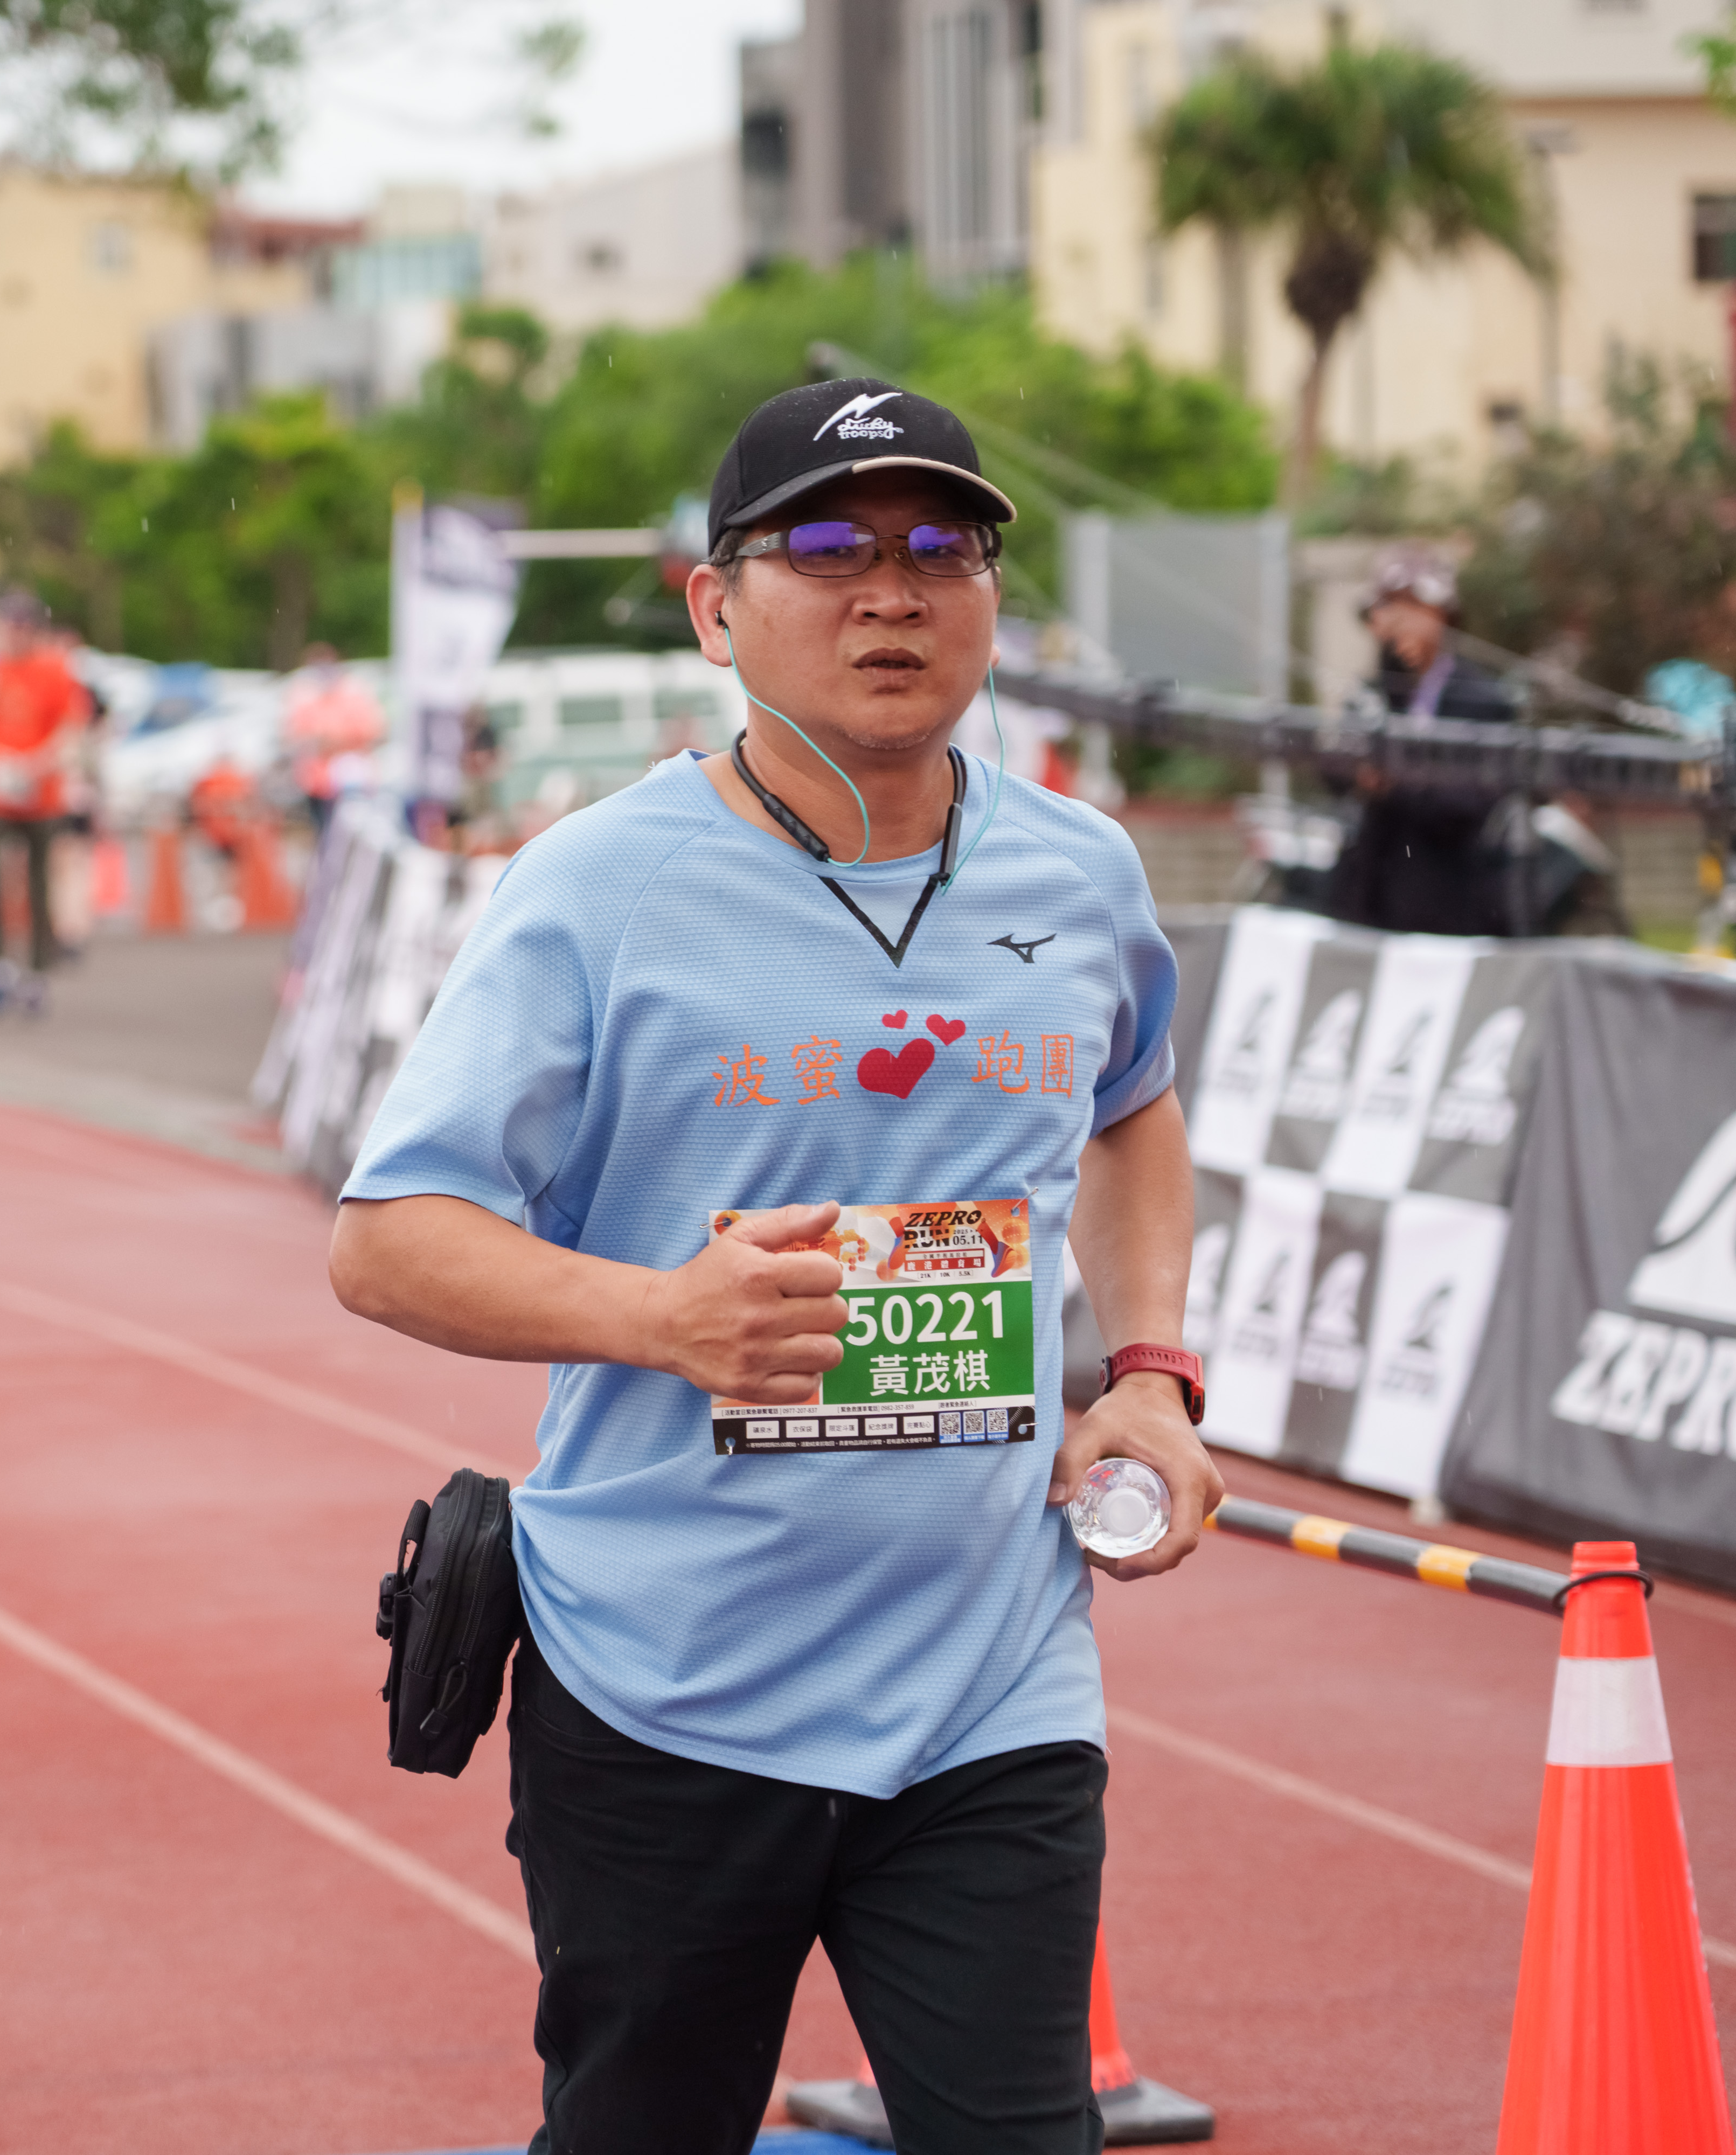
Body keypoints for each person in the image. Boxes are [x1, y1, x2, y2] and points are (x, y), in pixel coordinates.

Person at [327, 380, 1223, 2154]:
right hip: (665, 1687)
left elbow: (1132, 1114)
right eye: (826, 547)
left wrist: (1149, 1375)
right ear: (715, 608)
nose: (891, 591)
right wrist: (662, 1318)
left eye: (941, 547)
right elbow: (386, 1240)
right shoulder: (593, 890)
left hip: (991, 1689)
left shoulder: (1082, 873)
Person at [1325, 552, 1529, 936]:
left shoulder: (1482, 699)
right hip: (1370, 897)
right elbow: (1332, 770)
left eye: (1407, 610)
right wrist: (1357, 774)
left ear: (1441, 616)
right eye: (1386, 611)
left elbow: (1473, 801)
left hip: (1447, 901)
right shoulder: (1374, 693)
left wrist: (1396, 784)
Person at [0, 589, 88, 1017]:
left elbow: (71, 729)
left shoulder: (54, 669)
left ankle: (36, 972)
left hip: (40, 795)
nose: (13, 634)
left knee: (38, 886)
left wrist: (38, 763)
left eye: (21, 627)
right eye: (7, 626)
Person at [281, 642, 384, 835]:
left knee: (351, 832)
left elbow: (373, 734)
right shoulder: (303, 695)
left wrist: (335, 744)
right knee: (324, 833)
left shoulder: (355, 693)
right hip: (316, 784)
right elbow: (293, 737)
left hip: (350, 784)